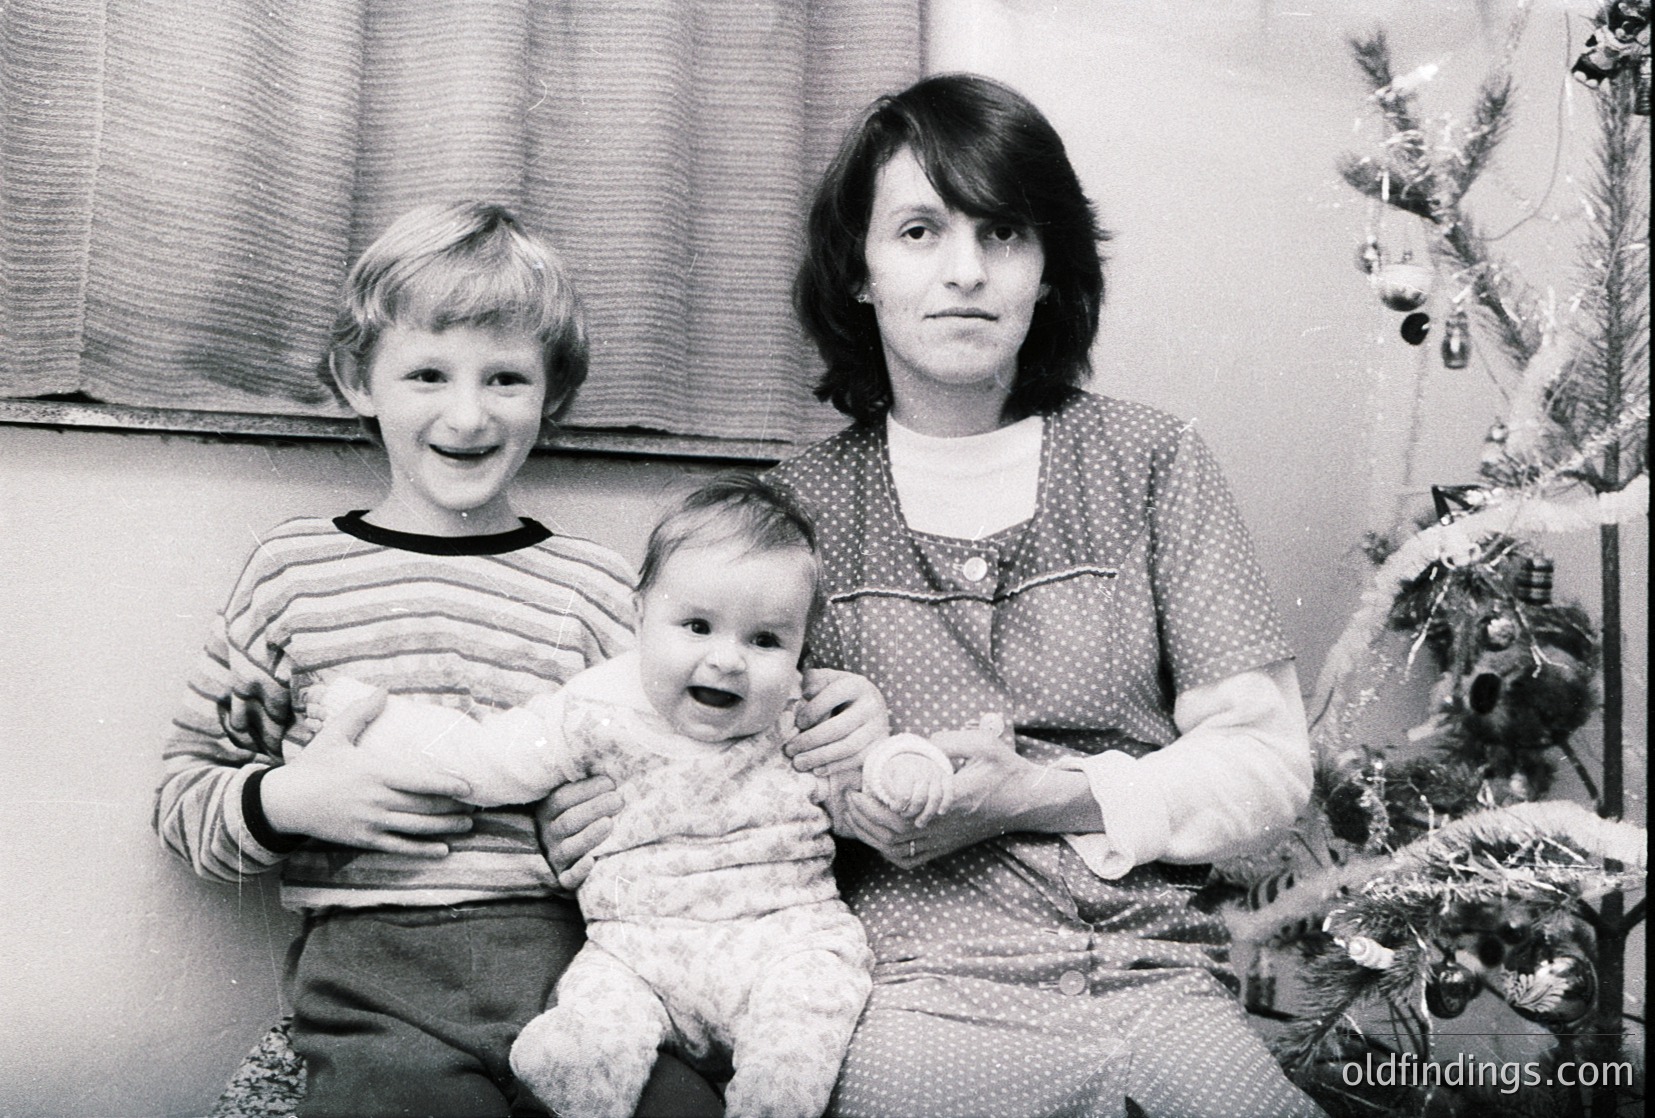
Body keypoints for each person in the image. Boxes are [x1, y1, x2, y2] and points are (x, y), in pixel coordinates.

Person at [551, 74, 1325, 1118]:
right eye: (919, 231)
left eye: (1002, 232)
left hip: (1153, 974)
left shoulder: (1156, 462)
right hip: (918, 984)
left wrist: (1045, 794)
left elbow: (1270, 767)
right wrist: (586, 809)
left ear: (1048, 268)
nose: (965, 271)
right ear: (861, 272)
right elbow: (693, 734)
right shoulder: (795, 510)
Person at [153, 202, 884, 1118]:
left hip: (572, 966)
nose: (467, 414)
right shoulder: (292, 573)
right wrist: (288, 800)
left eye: (505, 378)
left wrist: (836, 708)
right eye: (426, 373)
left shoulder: (594, 588)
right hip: (372, 976)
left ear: (552, 395)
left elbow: (712, 755)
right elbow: (185, 801)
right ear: (358, 380)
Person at [309, 475, 935, 1118]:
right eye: (697, 625)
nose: (727, 660)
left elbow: (863, 793)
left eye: (766, 640)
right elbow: (485, 759)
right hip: (638, 952)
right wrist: (371, 719)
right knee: (590, 1033)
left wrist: (904, 767)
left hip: (781, 940)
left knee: (807, 1018)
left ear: (802, 647)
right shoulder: (594, 709)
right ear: (641, 616)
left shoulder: (797, 719)